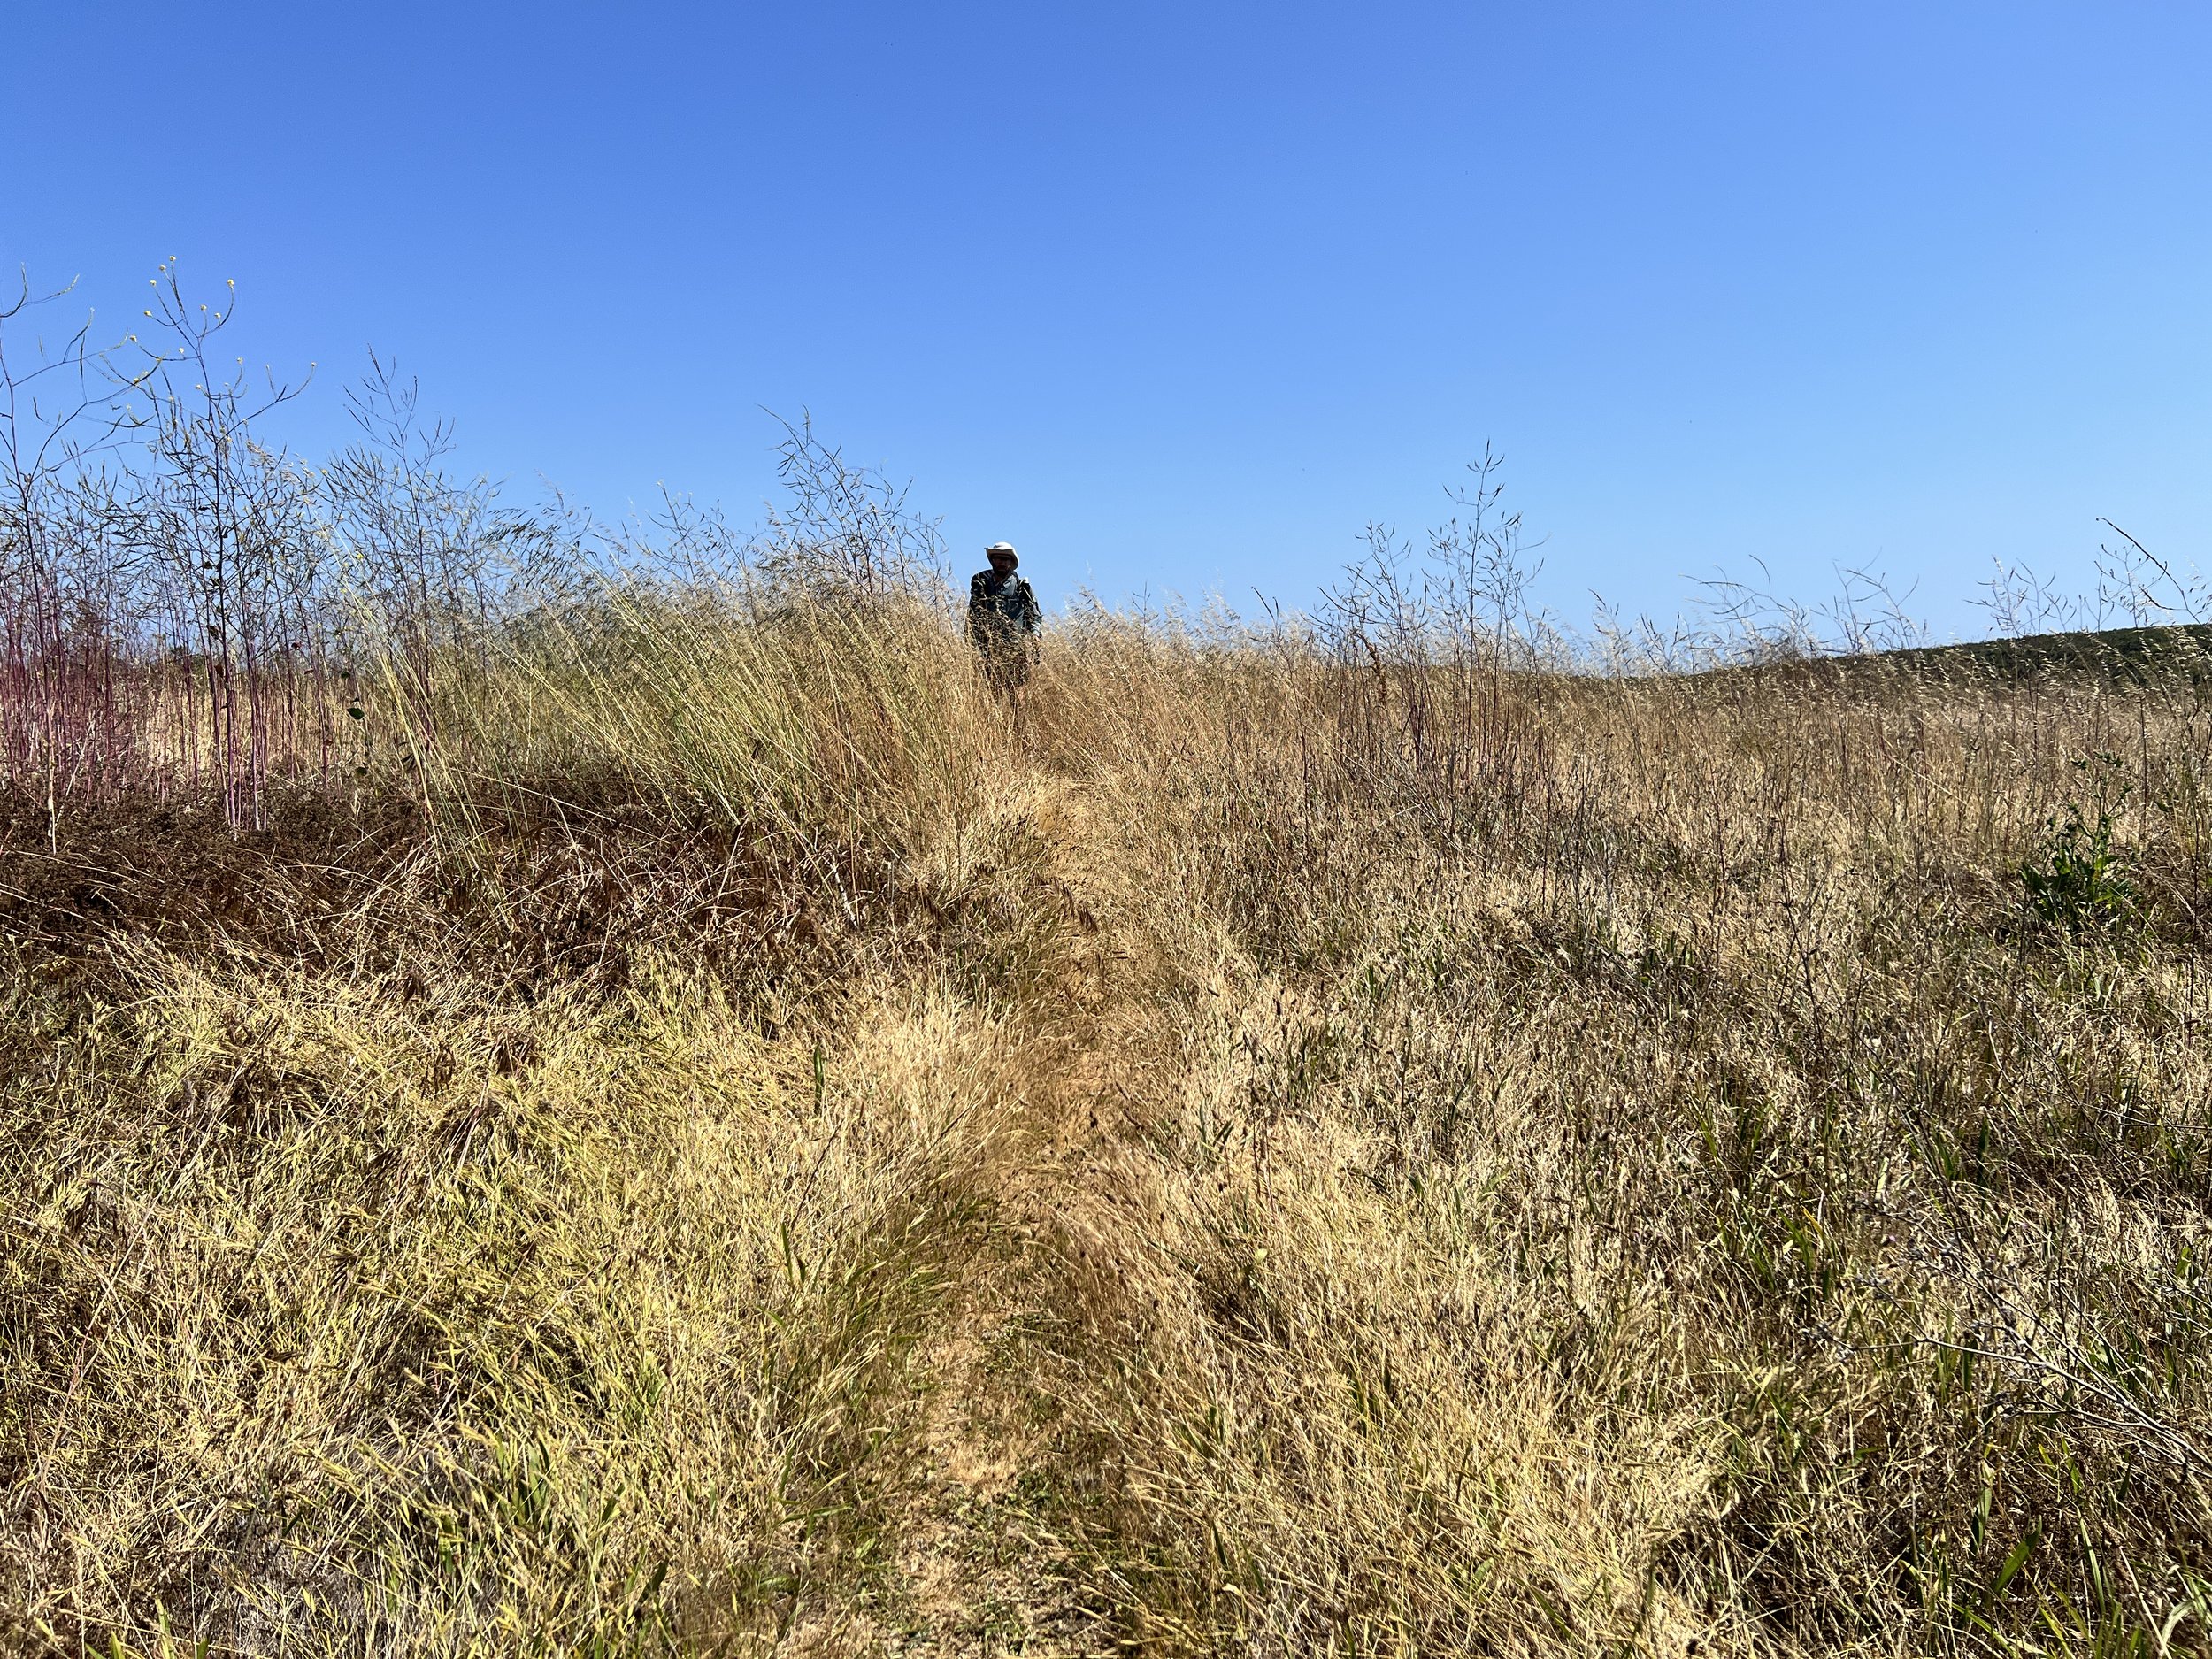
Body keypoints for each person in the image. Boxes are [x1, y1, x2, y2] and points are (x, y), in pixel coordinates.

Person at [967, 541, 1041, 695]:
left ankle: (1018, 721)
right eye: (998, 558)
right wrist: (972, 644)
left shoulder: (1021, 586)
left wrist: (1035, 635)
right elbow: (972, 615)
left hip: (1015, 648)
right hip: (989, 648)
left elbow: (1034, 614)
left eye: (1005, 559)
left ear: (1011, 562)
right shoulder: (982, 584)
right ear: (992, 560)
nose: (1002, 562)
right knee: (994, 692)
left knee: (1017, 693)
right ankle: (998, 720)